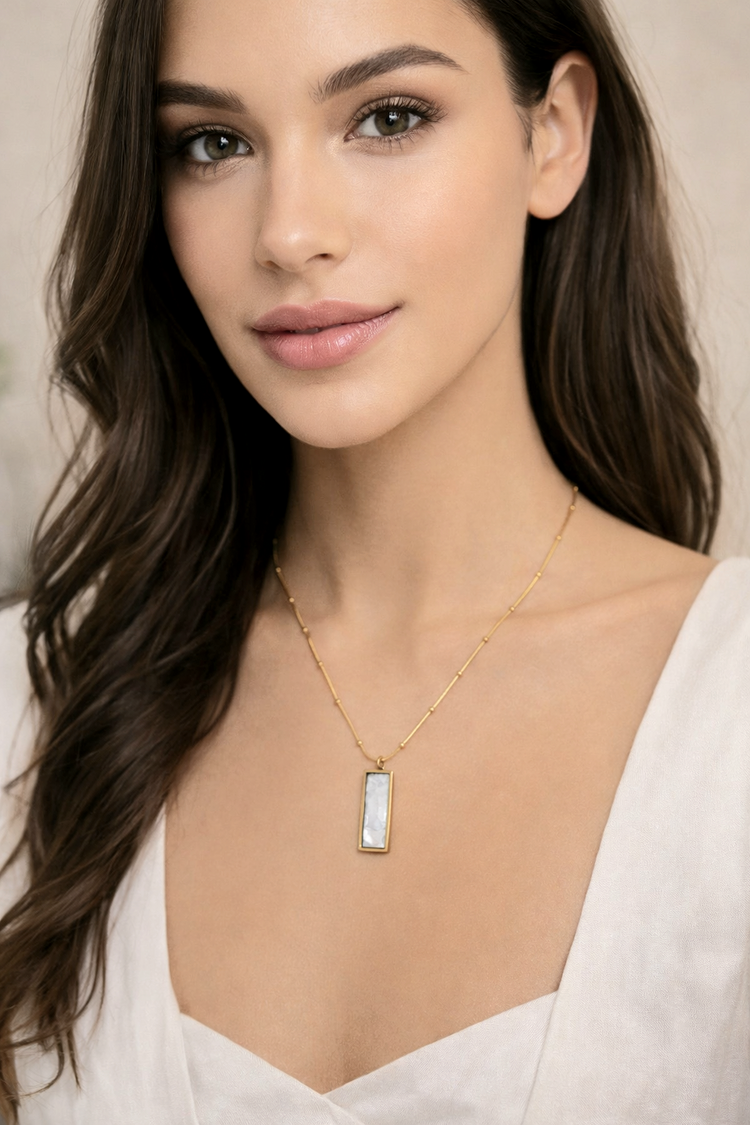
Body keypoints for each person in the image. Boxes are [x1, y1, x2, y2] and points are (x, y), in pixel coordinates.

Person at [1, 0, 748, 1120]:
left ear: (554, 134)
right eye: (213, 144)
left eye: (389, 116)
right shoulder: (30, 706)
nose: (290, 232)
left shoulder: (727, 715)